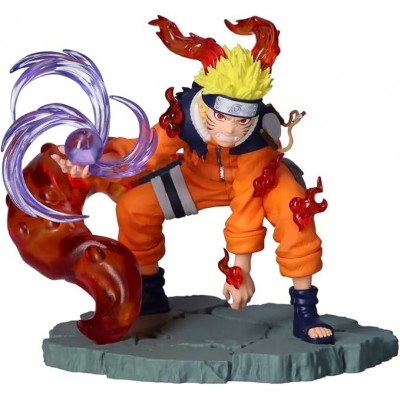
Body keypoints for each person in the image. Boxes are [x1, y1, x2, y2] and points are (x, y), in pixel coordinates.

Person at [52, 16, 334, 344]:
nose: (230, 131)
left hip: (263, 181)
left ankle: (305, 308)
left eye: (242, 121)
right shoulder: (183, 116)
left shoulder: (258, 139)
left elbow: (247, 203)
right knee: (134, 207)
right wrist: (95, 159)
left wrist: (239, 270)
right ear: (205, 105)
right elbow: (146, 151)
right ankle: (149, 290)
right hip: (198, 178)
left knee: (295, 211)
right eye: (221, 117)